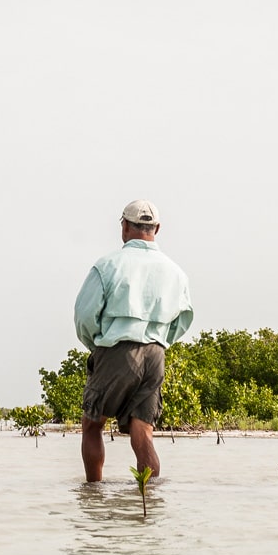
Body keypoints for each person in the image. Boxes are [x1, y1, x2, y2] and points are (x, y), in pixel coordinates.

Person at [74, 199, 193, 482]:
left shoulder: (107, 265)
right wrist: (159, 341)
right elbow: (184, 319)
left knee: (92, 425)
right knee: (144, 433)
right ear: (157, 228)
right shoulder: (175, 272)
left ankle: (94, 497)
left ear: (125, 227)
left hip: (115, 349)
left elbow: (84, 316)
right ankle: (147, 501)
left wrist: (97, 345)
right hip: (156, 355)